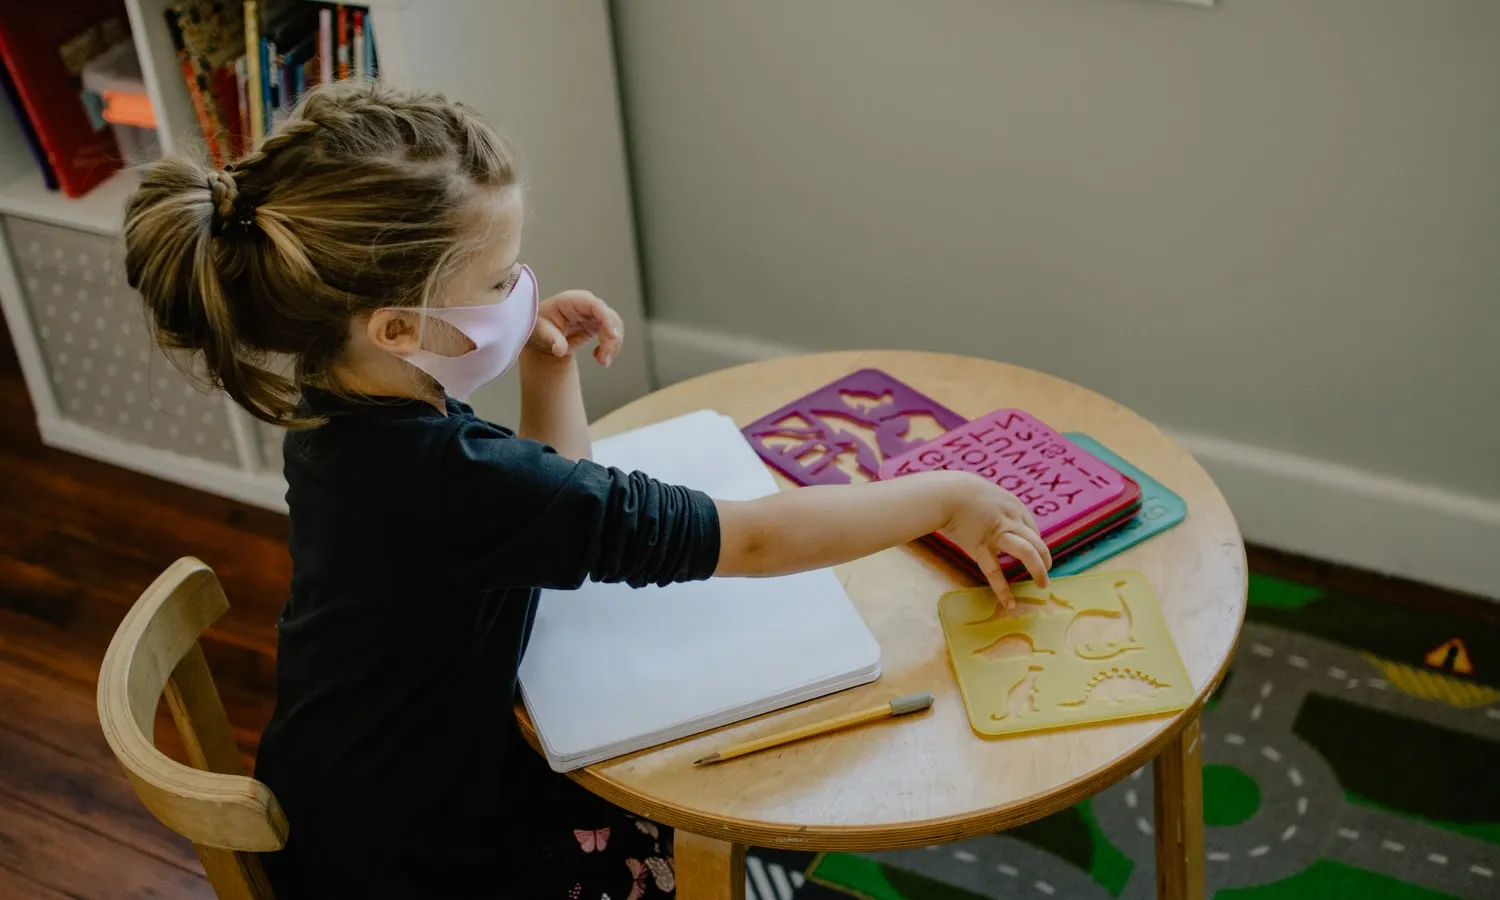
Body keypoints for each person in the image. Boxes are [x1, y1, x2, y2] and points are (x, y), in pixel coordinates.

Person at [122, 81, 1051, 899]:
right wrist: (940, 496)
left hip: (356, 790)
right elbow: (756, 541)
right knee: (698, 823)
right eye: (497, 282)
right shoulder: (451, 477)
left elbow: (545, 505)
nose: (522, 290)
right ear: (401, 327)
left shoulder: (339, 410)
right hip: (424, 854)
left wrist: (543, 367)